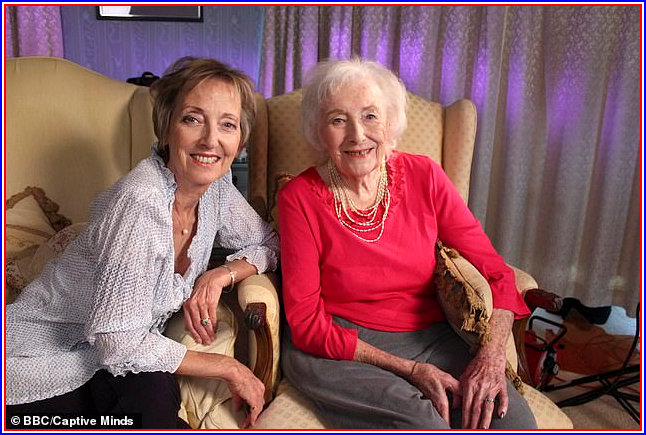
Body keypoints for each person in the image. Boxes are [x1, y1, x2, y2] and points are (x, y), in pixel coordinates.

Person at [6, 57, 279, 429]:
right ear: (166, 129)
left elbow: (269, 241)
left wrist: (219, 276)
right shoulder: (140, 203)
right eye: (193, 119)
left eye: (227, 125)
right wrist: (229, 368)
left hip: (108, 358)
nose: (211, 139)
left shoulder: (216, 190)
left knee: (155, 403)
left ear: (239, 141)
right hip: (39, 363)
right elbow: (118, 342)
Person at [277, 58, 537, 429]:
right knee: (424, 422)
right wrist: (411, 370)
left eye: (370, 116)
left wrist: (491, 357)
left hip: (426, 334)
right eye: (338, 120)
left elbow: (497, 273)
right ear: (320, 130)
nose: (356, 134)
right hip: (335, 346)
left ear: (390, 122)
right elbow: (304, 323)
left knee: (513, 419)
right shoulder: (298, 198)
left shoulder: (425, 176)